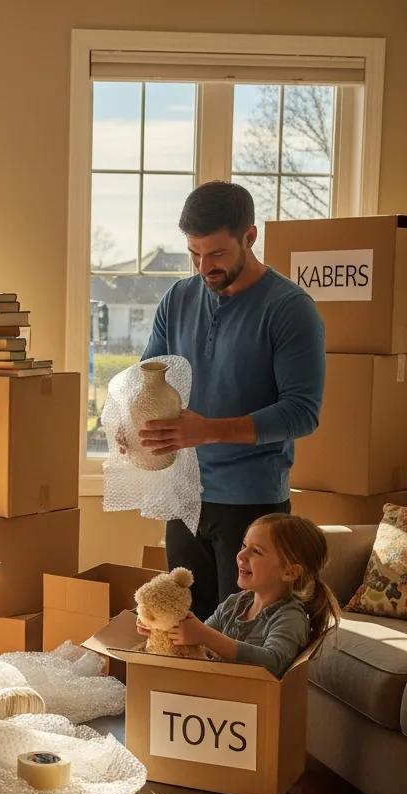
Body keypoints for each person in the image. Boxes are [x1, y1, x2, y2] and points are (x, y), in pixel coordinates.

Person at [137, 181, 326, 620]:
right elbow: (148, 378)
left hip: (252, 503)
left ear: (250, 237)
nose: (205, 267)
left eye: (218, 254)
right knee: (181, 629)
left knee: (239, 640)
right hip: (184, 497)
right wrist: (134, 426)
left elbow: (303, 411)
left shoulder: (290, 309)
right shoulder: (178, 298)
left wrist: (207, 431)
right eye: (194, 253)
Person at [149, 514, 339, 678]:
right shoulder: (235, 603)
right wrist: (163, 628)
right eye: (244, 545)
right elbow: (200, 643)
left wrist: (206, 636)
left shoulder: (290, 617)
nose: (241, 555)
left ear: (289, 572)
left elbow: (272, 664)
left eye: (256, 551)